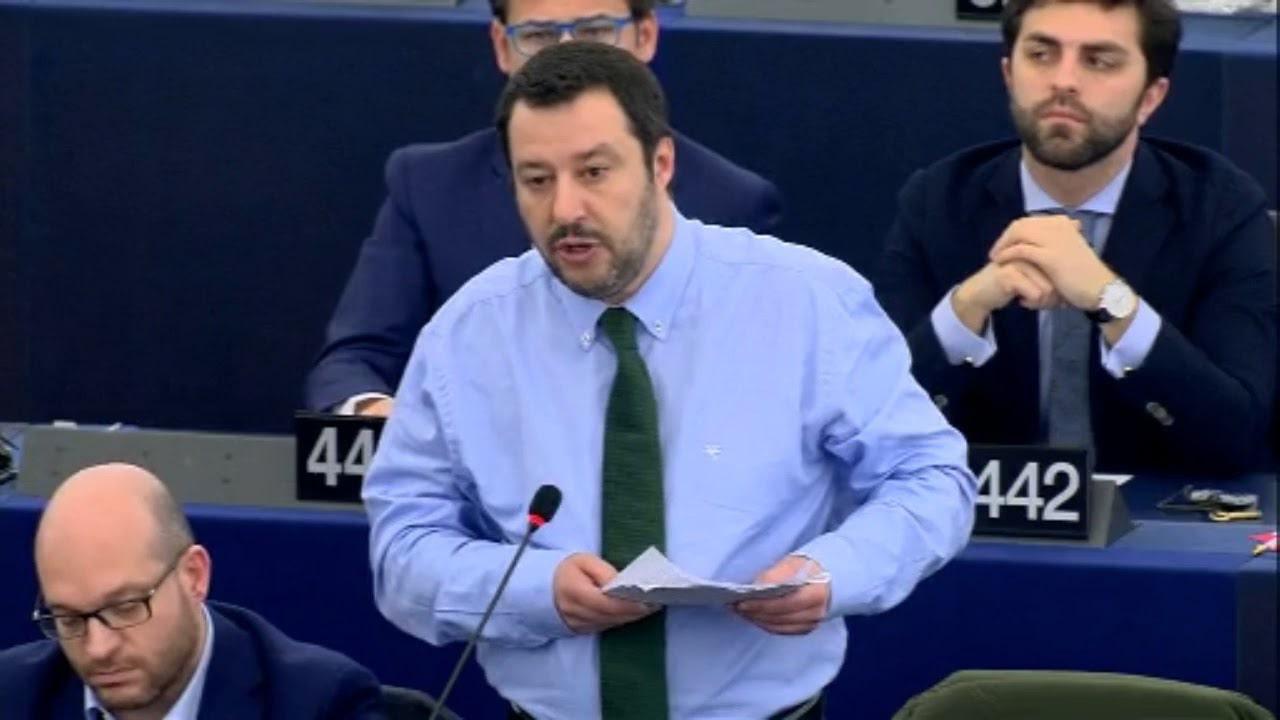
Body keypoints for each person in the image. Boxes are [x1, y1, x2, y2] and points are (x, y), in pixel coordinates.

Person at [363, 42, 975, 720]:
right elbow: (402, 551)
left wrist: (837, 572)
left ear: (661, 164)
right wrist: (535, 591)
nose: (565, 208)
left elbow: (931, 478)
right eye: (536, 180)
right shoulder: (468, 334)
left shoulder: (807, 303)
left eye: (594, 172)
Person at [304, 0, 783, 417]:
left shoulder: (732, 202)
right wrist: (378, 417)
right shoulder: (428, 186)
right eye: (539, 35)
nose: (567, 56)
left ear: (646, 35)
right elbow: (354, 362)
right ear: (502, 46)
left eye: (596, 31)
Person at [874, 0, 1276, 475]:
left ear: (1151, 97)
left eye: (1098, 61)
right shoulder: (939, 201)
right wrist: (966, 311)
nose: (1063, 81)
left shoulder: (1221, 210)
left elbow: (1238, 435)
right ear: (1009, 75)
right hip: (984, 512)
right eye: (1041, 55)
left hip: (1159, 512)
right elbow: (869, 426)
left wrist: (1112, 302)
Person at [0, 463, 386, 720]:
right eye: (69, 619)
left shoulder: (318, 704)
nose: (98, 649)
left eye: (125, 607)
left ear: (194, 576)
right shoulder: (13, 697)